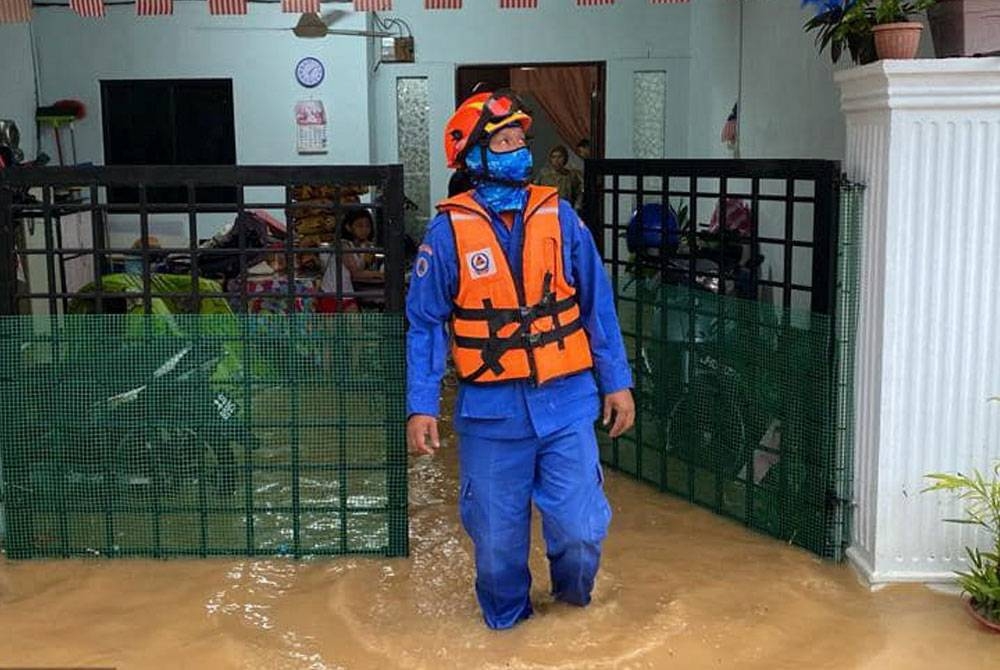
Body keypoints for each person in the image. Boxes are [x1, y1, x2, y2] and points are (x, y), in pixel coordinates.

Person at [405, 90, 635, 630]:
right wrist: (421, 406)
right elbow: (425, 325)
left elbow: (595, 304)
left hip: (567, 402)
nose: (518, 151)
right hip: (492, 416)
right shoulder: (446, 234)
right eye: (503, 142)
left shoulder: (561, 217)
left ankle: (572, 623)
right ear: (474, 158)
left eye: (519, 141)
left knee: (580, 530)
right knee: (497, 548)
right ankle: (508, 637)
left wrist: (616, 382)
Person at [533, 144, 583, 211]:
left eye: (560, 157)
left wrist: (577, 207)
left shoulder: (571, 175)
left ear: (565, 158)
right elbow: (535, 191)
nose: (557, 160)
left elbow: (579, 193)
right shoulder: (544, 174)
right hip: (548, 209)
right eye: (554, 157)